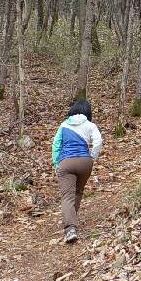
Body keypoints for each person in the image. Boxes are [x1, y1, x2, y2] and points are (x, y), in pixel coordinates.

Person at [51, 99, 103, 243]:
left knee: (67, 196)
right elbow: (98, 141)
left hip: (67, 163)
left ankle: (70, 229)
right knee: (78, 192)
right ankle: (72, 219)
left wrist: (57, 164)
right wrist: (92, 157)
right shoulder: (90, 125)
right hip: (85, 163)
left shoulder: (64, 125)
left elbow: (55, 146)